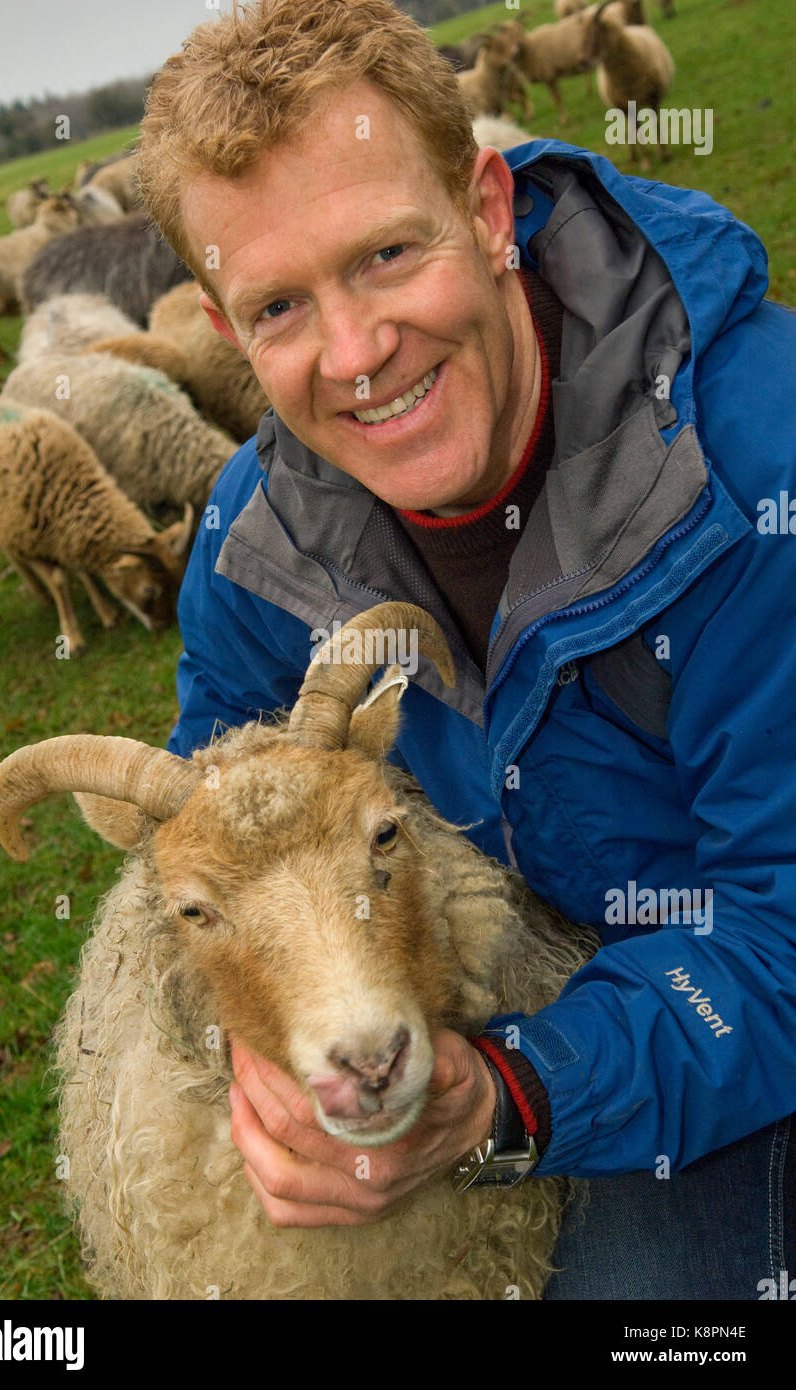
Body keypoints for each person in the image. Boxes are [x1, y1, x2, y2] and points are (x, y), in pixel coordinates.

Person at [137, 0, 796, 1298]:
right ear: (225, 334)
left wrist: (511, 1089)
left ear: (488, 209)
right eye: (280, 304)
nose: (358, 351)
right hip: (473, 990)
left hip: (738, 1014)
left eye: (387, 254)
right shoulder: (251, 539)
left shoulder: (757, 471)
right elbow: (216, 813)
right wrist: (264, 1040)